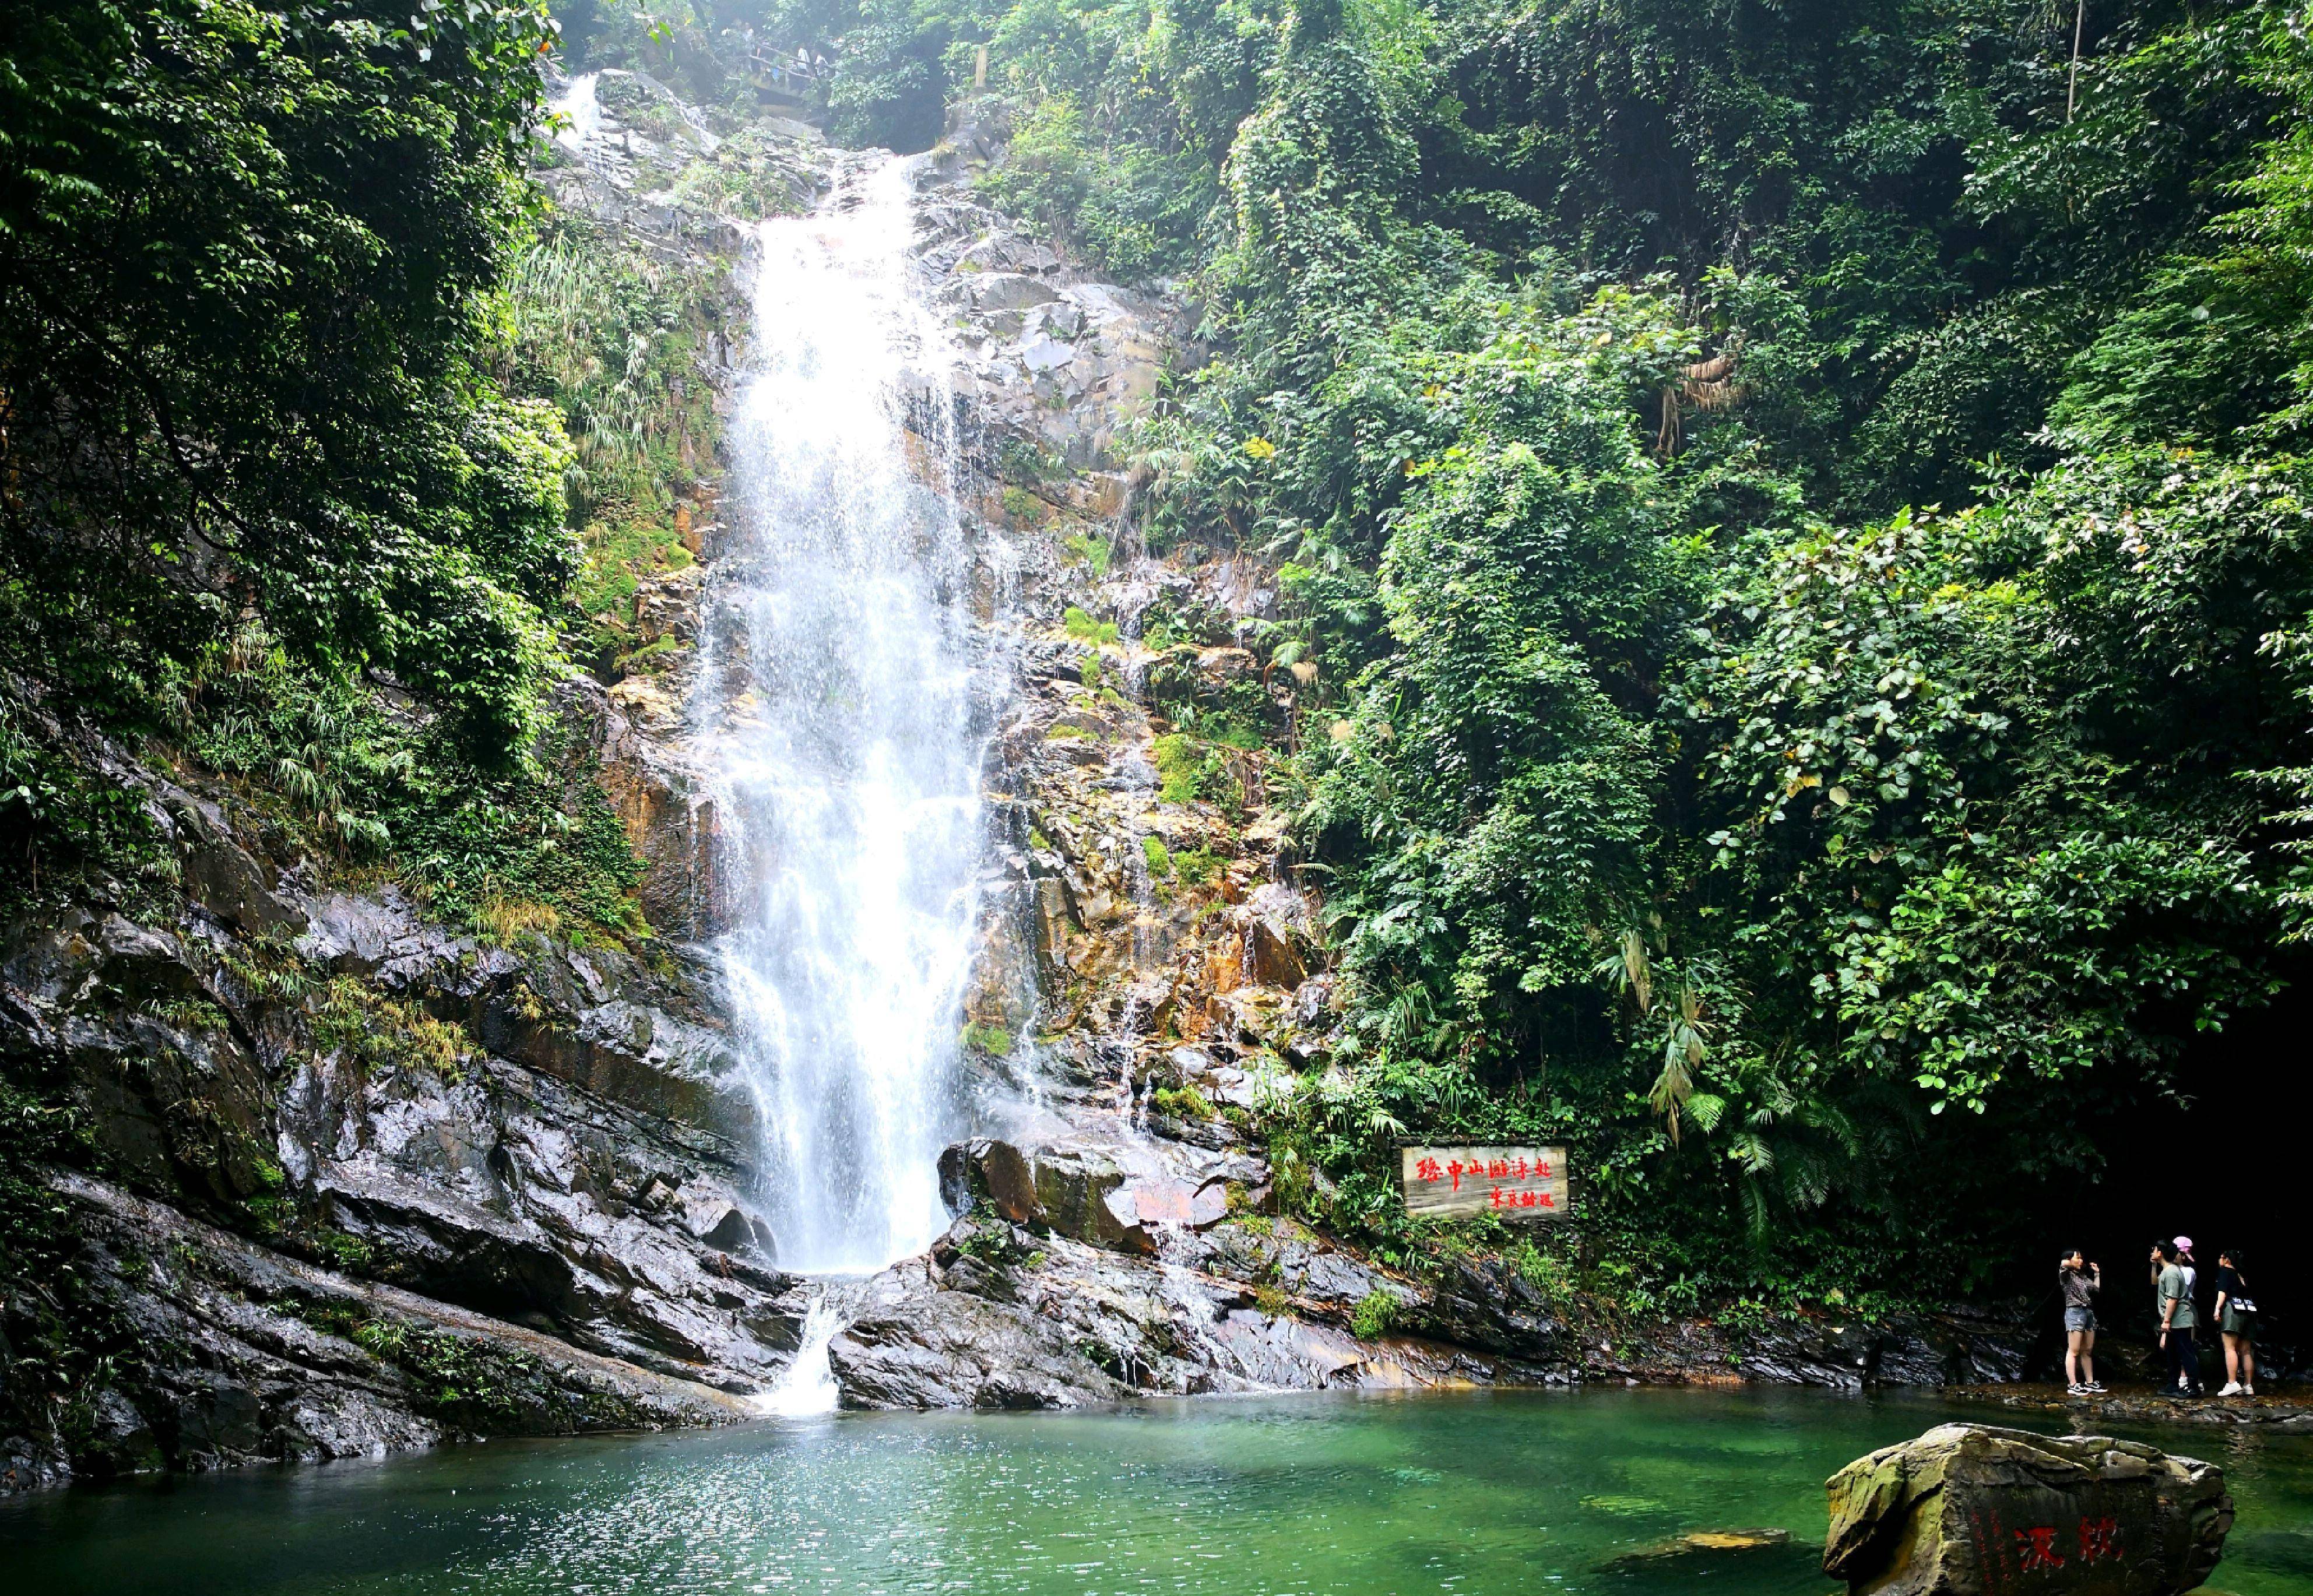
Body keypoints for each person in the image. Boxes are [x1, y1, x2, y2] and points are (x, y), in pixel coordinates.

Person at [2153, 1239, 2202, 1397]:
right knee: (2172, 1353)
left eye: (2154, 1249)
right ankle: (2173, 1384)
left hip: (2179, 1320)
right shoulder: (2167, 1271)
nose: (2152, 1252)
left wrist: (2166, 1321)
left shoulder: (2172, 1272)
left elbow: (2173, 1298)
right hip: (2174, 1321)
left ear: (2160, 1253)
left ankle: (2193, 1387)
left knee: (2186, 1353)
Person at [2214, 1246, 2257, 1397]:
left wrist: (2217, 1309)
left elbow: (2222, 1292)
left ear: (2227, 1260)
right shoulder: (2241, 1275)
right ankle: (2248, 1385)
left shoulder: (2226, 1272)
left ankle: (2232, 1383)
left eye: (2221, 1257)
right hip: (2249, 1312)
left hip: (2234, 1311)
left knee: (2230, 1348)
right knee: (2246, 1351)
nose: (2219, 1260)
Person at [2059, 1250, 2103, 1394]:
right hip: (2075, 1311)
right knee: (2074, 1350)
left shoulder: (2082, 1276)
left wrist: (2097, 1274)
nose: (2081, 1261)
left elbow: (2096, 1289)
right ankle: (2073, 1385)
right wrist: (2071, 1260)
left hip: (2088, 1312)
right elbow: (2063, 1264)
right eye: (2078, 1258)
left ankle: (2090, 1383)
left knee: (2088, 1350)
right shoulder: (2066, 1275)